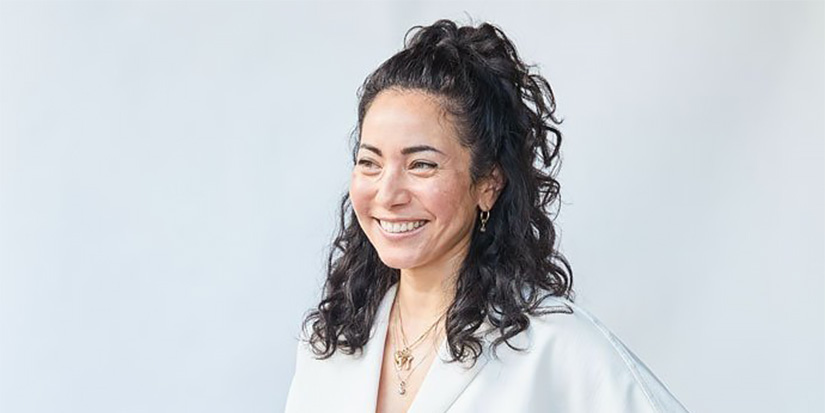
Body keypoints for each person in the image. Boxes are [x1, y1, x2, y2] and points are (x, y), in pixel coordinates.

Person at [285, 19, 689, 413]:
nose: (388, 194)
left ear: (489, 184)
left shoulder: (557, 348)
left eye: (422, 165)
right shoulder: (329, 344)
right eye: (369, 163)